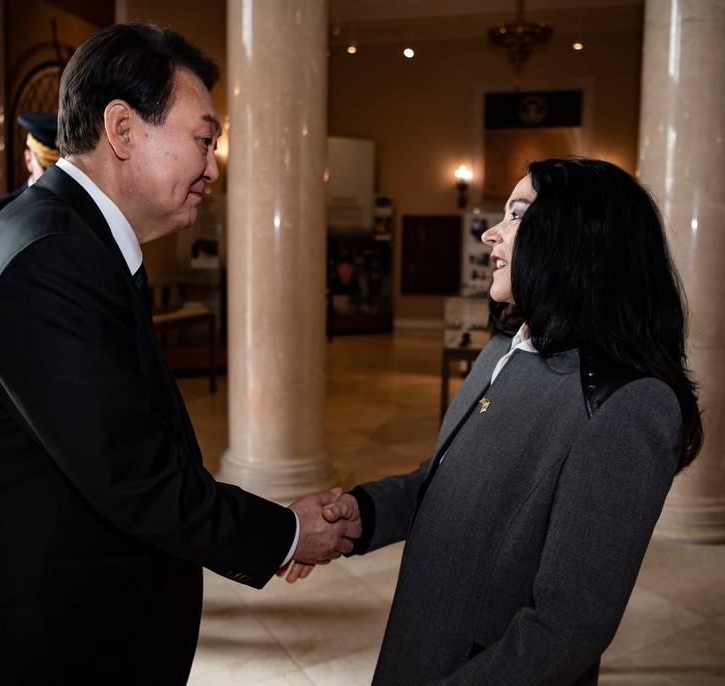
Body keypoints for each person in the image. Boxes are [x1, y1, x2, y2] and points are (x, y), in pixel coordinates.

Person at [0, 22, 359, 686]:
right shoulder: (52, 258)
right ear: (121, 129)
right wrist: (286, 533)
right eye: (203, 139)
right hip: (35, 645)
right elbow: (133, 474)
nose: (213, 166)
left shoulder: (68, 238)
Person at [290, 157, 704, 685]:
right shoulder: (506, 351)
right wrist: (363, 513)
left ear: (580, 240)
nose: (491, 232)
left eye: (518, 215)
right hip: (421, 641)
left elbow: (567, 629)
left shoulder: (626, 404)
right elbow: (444, 485)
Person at [0, 111, 59, 237]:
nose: (57, 178)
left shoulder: (83, 213)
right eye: (48, 169)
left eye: (62, 170)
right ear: (28, 160)